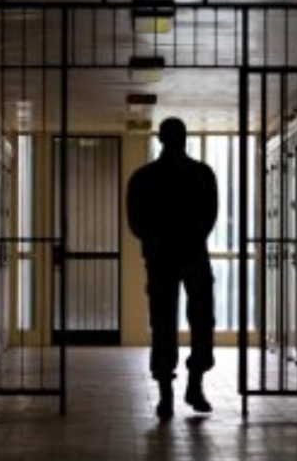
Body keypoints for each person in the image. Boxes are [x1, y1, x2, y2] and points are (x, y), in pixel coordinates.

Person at [126, 117, 218, 419]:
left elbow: (136, 221)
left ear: (160, 138)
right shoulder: (202, 174)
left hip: (162, 257)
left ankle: (168, 395)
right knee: (201, 321)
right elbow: (209, 216)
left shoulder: (143, 177)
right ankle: (193, 386)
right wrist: (189, 237)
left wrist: (157, 241)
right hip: (192, 254)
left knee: (164, 324)